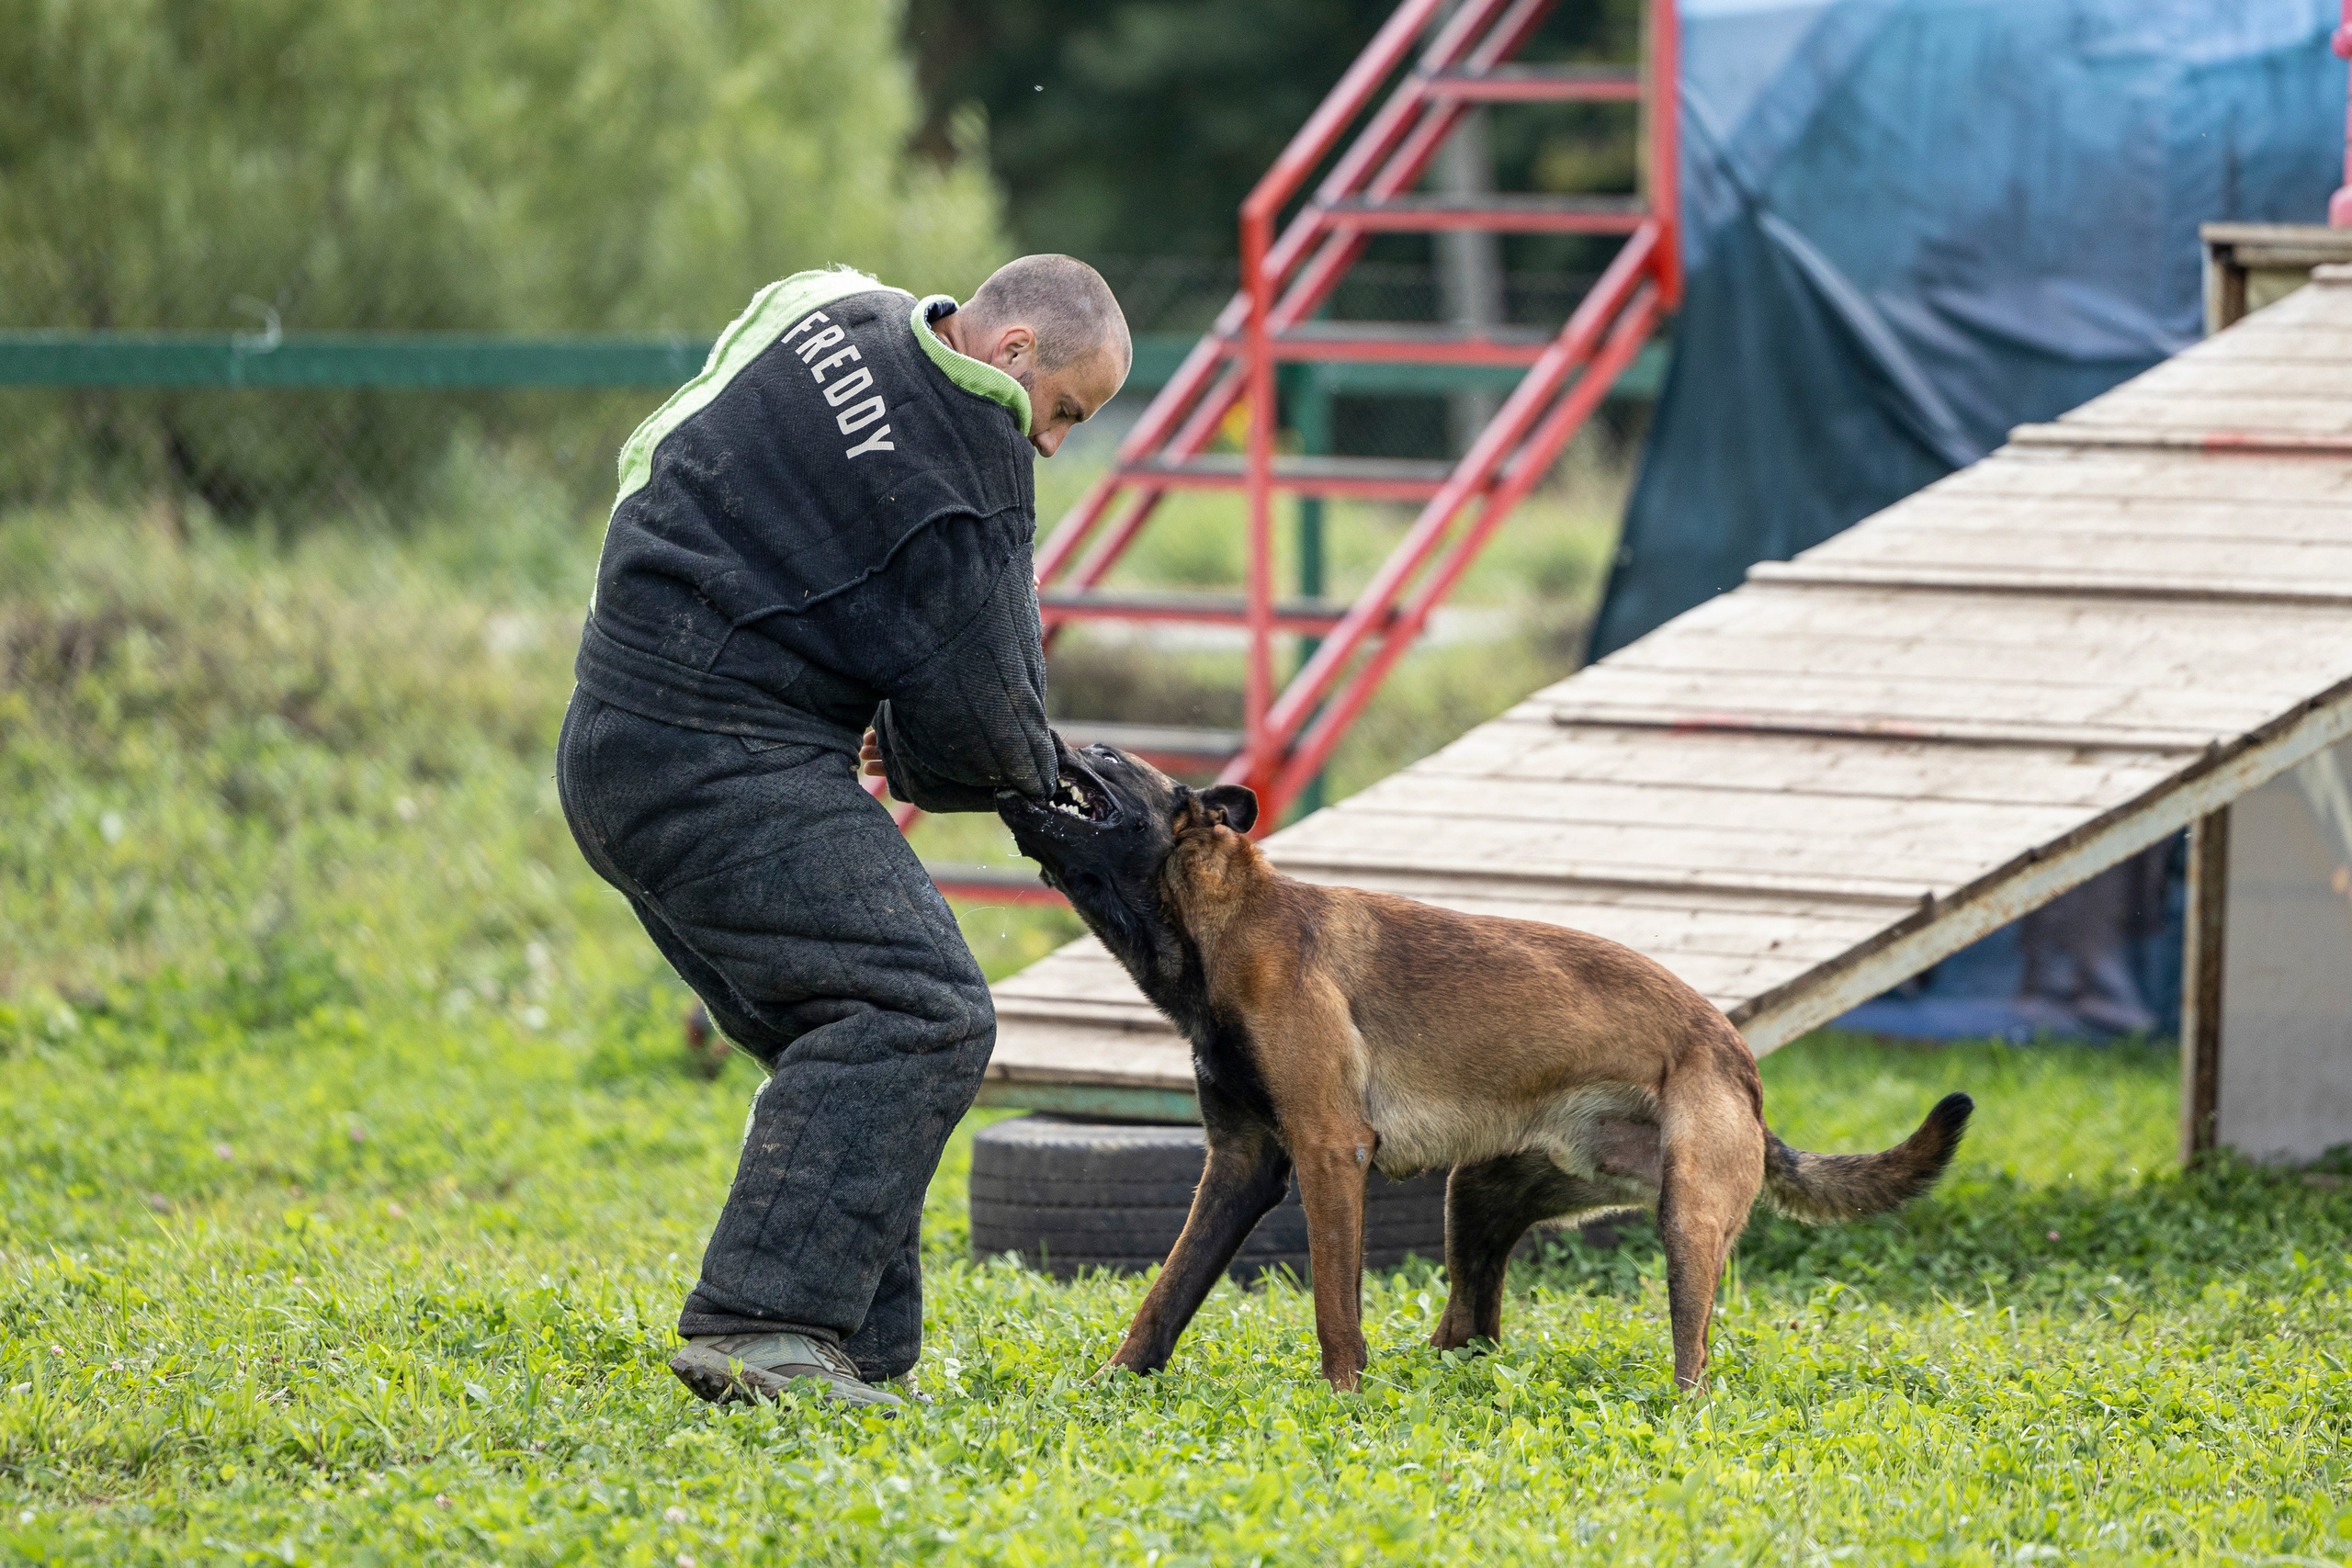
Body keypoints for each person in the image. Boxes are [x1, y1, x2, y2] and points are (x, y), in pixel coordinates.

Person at [557, 255, 1129, 1410]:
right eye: (1064, 411)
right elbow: (994, 731)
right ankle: (761, 1328)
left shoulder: (825, 302)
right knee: (920, 1011)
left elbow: (655, 452)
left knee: (848, 1024)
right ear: (1014, 353)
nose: (1054, 445)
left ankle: (860, 1352)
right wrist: (921, 753)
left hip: (611, 725)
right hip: (724, 761)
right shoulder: (974, 468)